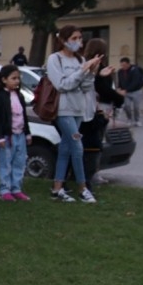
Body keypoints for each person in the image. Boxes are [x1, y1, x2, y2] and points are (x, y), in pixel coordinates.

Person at [46, 25, 101, 203]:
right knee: (77, 147)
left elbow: (85, 87)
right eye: (74, 38)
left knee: (66, 148)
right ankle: (83, 188)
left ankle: (57, 188)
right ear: (63, 40)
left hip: (78, 109)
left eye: (80, 38)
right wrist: (82, 71)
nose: (78, 42)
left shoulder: (80, 59)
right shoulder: (55, 59)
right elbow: (63, 85)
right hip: (64, 110)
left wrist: (91, 72)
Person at [80, 39, 121, 190]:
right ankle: (92, 173)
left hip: (97, 106)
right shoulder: (91, 67)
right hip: (97, 107)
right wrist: (118, 98)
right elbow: (102, 89)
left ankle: (90, 172)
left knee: (93, 140)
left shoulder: (93, 66)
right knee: (95, 140)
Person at [0, 65, 31, 201]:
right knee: (6, 163)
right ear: (4, 79)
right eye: (13, 78)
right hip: (7, 136)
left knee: (19, 162)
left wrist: (27, 133)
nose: (17, 81)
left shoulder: (19, 96)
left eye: (18, 78)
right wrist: (0, 137)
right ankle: (4, 189)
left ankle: (16, 188)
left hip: (20, 135)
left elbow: (24, 116)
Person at [117, 57, 143, 127]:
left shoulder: (135, 70)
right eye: (121, 65)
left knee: (136, 107)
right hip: (126, 92)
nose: (123, 67)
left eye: (124, 65)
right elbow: (120, 81)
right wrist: (119, 89)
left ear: (128, 64)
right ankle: (129, 119)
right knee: (127, 106)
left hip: (136, 91)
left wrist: (126, 90)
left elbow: (135, 82)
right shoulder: (120, 71)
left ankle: (137, 120)